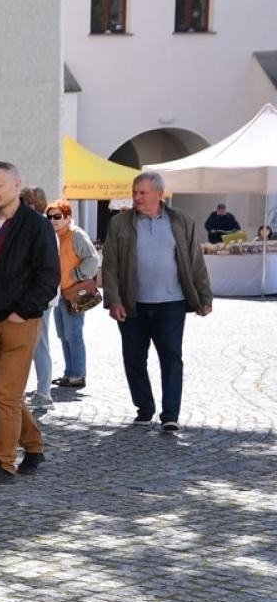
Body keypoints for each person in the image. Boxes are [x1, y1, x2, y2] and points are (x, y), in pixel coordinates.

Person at [0, 162, 60, 486]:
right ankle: (34, 446)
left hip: (20, 322)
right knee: (7, 394)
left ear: (17, 185)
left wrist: (24, 311)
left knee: (5, 393)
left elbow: (49, 276)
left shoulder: (37, 226)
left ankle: (3, 464)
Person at [100, 171, 213, 433]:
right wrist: (114, 300)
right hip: (132, 303)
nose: (136, 197)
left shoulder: (181, 221)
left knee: (171, 357)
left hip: (172, 303)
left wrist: (204, 296)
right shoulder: (120, 223)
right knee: (133, 358)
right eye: (134, 192)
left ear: (159, 194)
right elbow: (111, 265)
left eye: (143, 193)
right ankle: (144, 408)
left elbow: (196, 262)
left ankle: (170, 414)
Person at [43, 199, 100, 391]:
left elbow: (92, 260)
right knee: (63, 334)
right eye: (50, 217)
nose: (53, 220)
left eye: (57, 216)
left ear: (68, 218)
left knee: (73, 334)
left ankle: (78, 375)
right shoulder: (53, 235)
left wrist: (76, 275)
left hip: (73, 292)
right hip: (58, 293)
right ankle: (70, 373)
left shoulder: (76, 235)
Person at [21, 186, 56, 410]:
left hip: (39, 298)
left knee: (39, 344)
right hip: (33, 296)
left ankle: (44, 392)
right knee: (30, 344)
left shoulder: (41, 226)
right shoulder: (34, 225)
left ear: (32, 204)